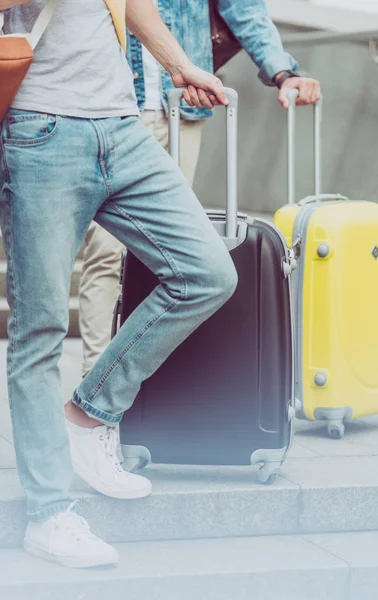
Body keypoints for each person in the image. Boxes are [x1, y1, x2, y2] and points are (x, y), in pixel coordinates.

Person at [0, 0, 238, 568]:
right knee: (41, 329)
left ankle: (91, 411)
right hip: (40, 127)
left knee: (207, 272)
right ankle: (49, 515)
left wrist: (179, 64)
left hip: (122, 125)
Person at [79, 0, 321, 377]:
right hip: (114, 108)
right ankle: (95, 388)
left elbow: (243, 7)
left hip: (183, 109)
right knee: (107, 252)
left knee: (173, 255)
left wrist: (282, 71)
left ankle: (145, 386)